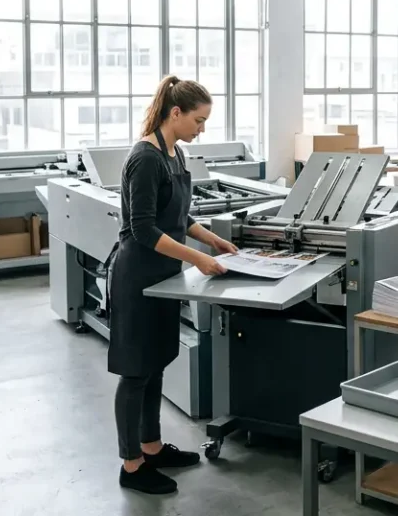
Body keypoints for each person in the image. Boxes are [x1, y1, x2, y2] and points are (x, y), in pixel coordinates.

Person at [108, 75, 238, 495]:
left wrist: (211, 240)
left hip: (165, 275)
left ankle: (152, 446)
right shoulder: (145, 158)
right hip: (137, 276)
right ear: (175, 113)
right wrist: (199, 259)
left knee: (157, 362)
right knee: (135, 371)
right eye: (198, 120)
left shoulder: (175, 154)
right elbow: (143, 228)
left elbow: (178, 217)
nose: (202, 129)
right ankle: (132, 466)